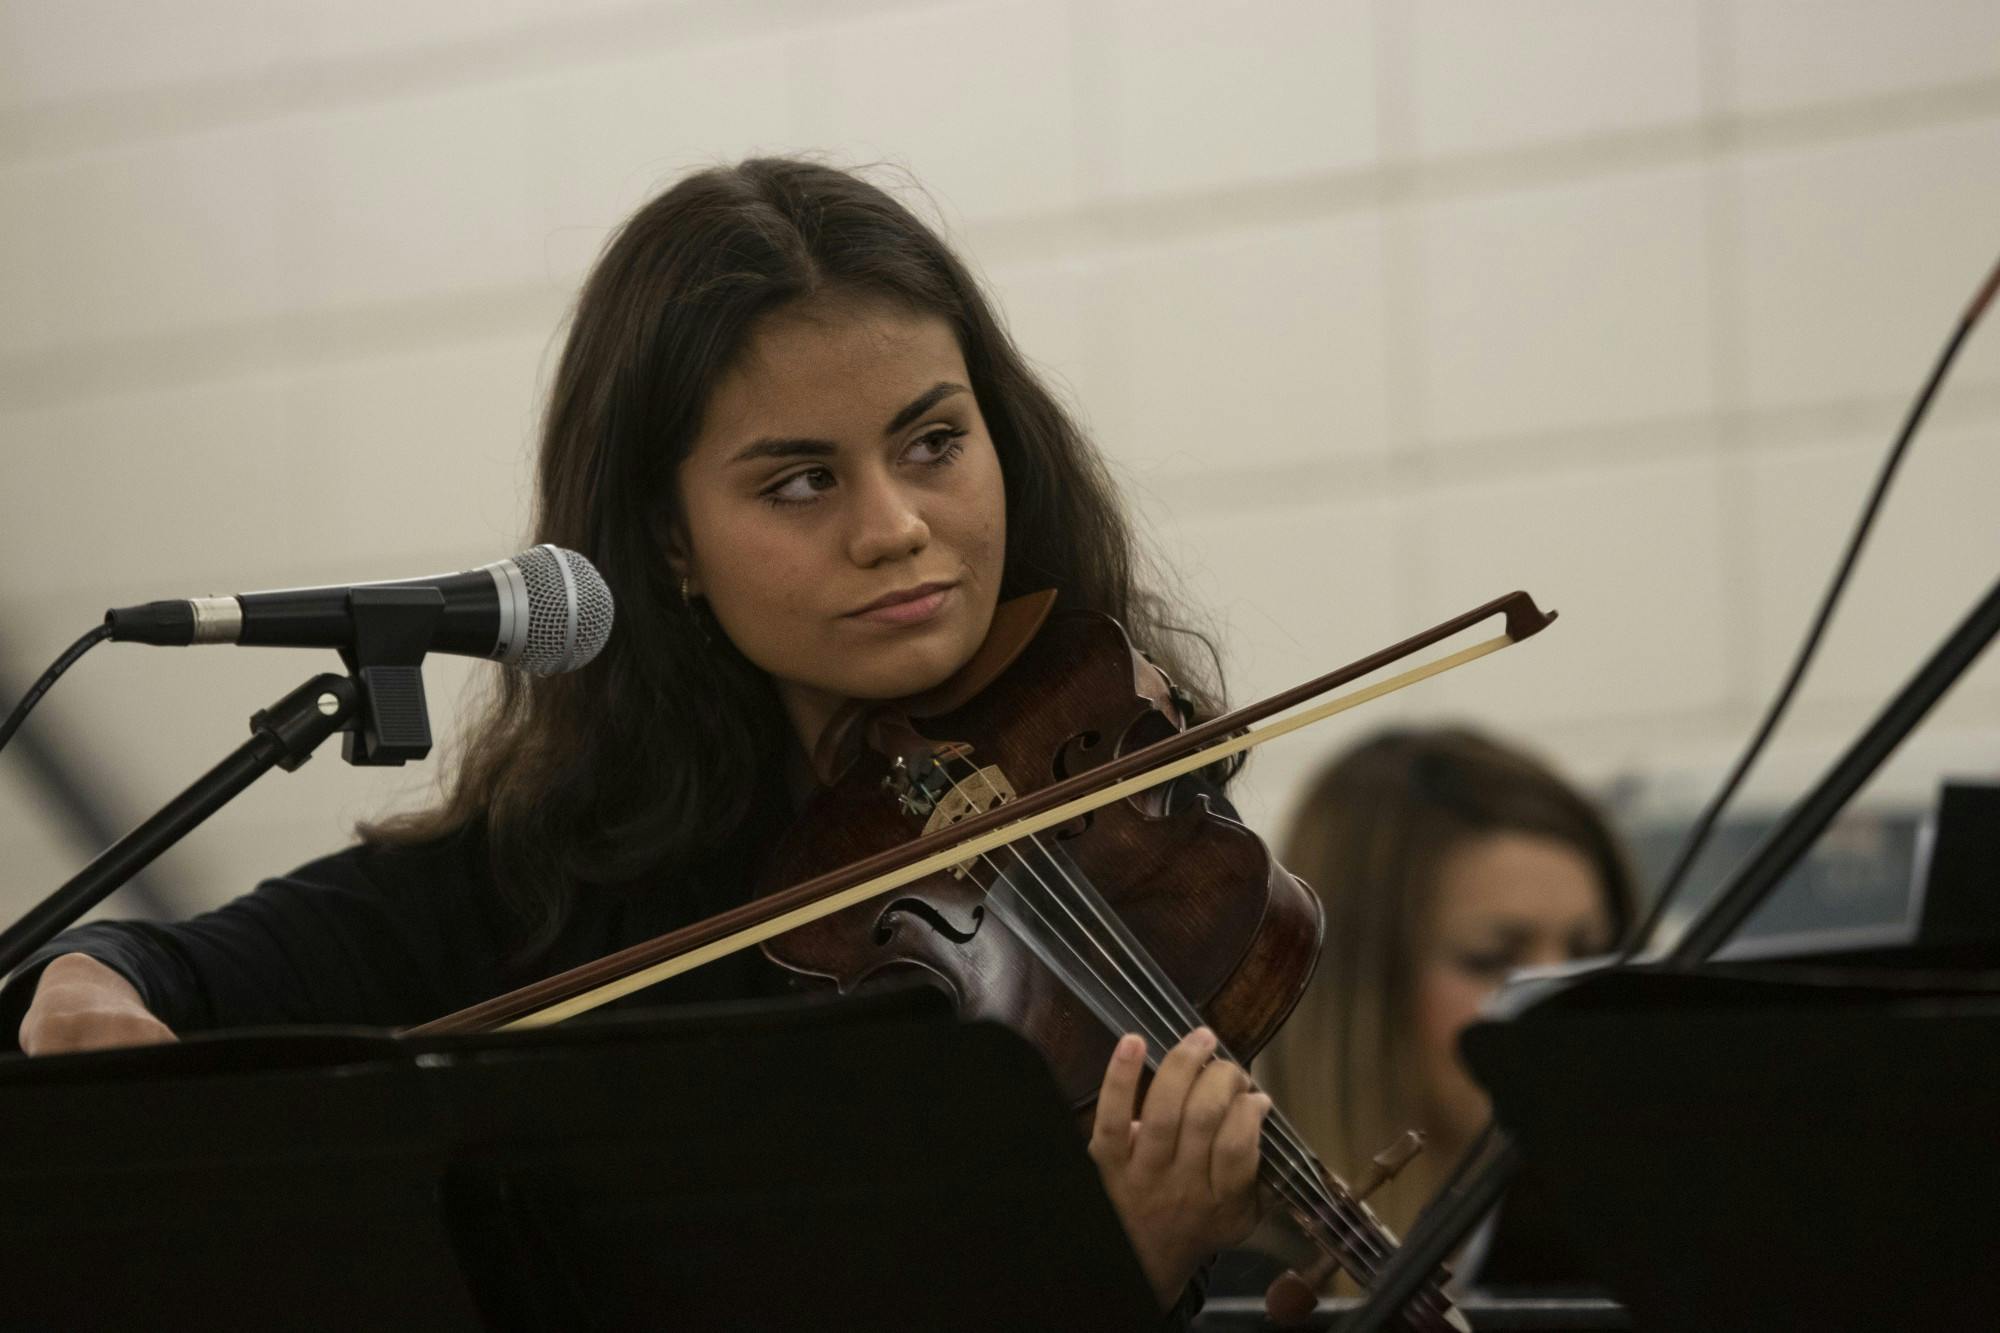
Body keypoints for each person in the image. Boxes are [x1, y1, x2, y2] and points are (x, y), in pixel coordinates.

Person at [1, 158, 1271, 1318]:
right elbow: (173, 972)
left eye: (933, 442)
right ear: (669, 545)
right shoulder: (555, 882)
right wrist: (89, 978)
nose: (894, 525)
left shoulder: (1129, 839)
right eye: (800, 481)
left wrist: (1124, 1279)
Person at [1236, 726, 1638, 1290]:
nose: (1560, 1003)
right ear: (1360, 988)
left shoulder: (1623, 1260)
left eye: (1589, 953)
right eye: (1492, 959)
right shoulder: (1231, 1283)